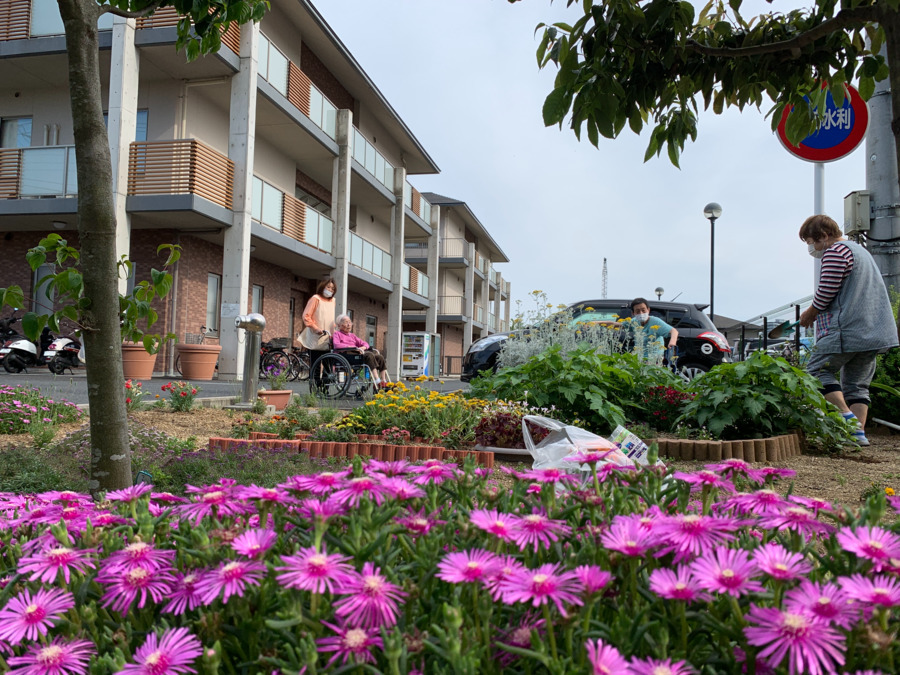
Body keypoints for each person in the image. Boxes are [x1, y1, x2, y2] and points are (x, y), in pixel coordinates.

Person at [798, 214, 899, 446]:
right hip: (873, 331)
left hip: (848, 329)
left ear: (824, 236)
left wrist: (810, 313)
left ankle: (848, 420)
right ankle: (857, 436)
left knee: (815, 371)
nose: (812, 248)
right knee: (857, 385)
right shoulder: (860, 252)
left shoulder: (835, 251)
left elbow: (826, 291)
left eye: (811, 241)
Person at [332, 314, 391, 388]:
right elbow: (336, 345)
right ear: (339, 325)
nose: (349, 324)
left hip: (357, 354)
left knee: (379, 357)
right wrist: (349, 347)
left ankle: (383, 380)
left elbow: (365, 344)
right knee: (369, 355)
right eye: (346, 322)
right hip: (347, 355)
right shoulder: (337, 334)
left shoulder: (352, 335)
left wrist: (363, 347)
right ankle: (377, 380)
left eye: (350, 322)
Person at [300, 278, 337, 383]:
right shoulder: (315, 298)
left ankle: (325, 389)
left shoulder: (333, 301)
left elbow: (331, 318)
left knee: (328, 365)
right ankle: (315, 388)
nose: (330, 290)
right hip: (316, 336)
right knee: (315, 364)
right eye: (328, 287)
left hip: (328, 337)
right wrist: (316, 328)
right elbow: (306, 316)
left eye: (332, 288)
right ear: (323, 286)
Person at [628, 297, 678, 364]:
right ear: (633, 313)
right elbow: (619, 325)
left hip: (654, 359)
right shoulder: (635, 321)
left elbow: (674, 331)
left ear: (648, 310)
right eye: (637, 311)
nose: (641, 313)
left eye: (643, 310)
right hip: (640, 358)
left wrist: (672, 342)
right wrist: (609, 323)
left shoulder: (655, 321)